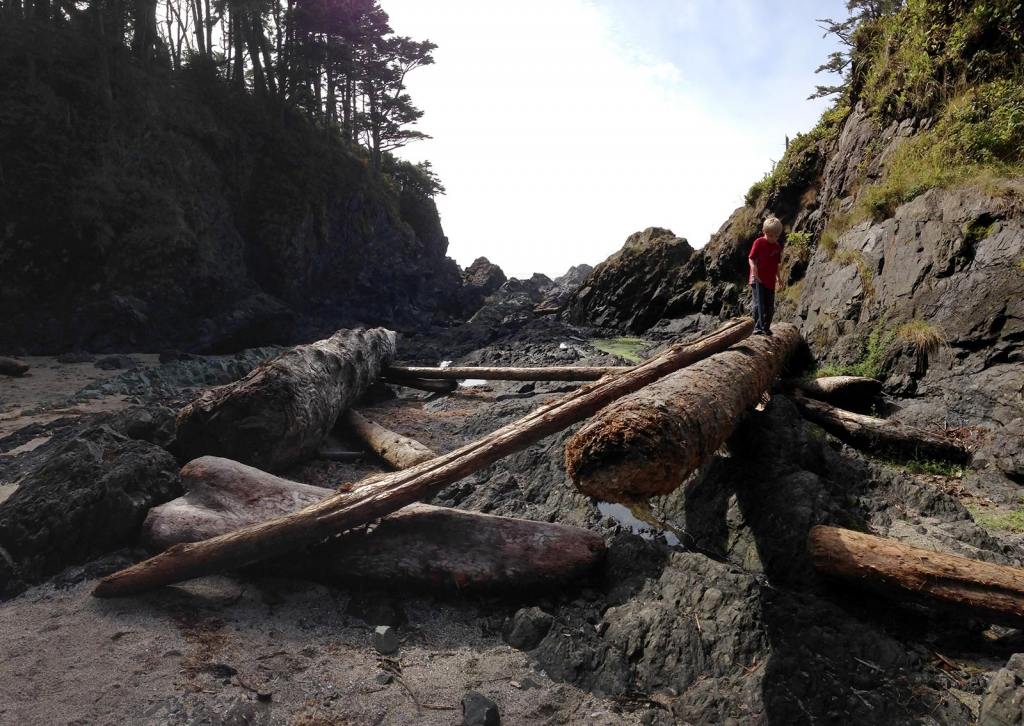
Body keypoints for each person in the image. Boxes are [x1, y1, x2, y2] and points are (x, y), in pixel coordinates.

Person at [748, 216, 784, 336]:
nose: (773, 238)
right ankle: (757, 327)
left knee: (769, 307)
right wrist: (753, 268)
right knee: (759, 304)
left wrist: (779, 278)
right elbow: (751, 258)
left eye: (776, 236)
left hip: (770, 281)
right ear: (764, 232)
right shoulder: (759, 242)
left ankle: (766, 327)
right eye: (770, 235)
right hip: (757, 279)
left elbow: (776, 265)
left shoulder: (777, 247)